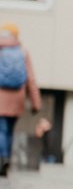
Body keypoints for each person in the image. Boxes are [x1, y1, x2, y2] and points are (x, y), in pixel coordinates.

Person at [0, 23, 42, 177]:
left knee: (1, 130)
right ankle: (6, 159)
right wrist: (36, 103)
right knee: (9, 131)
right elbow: (31, 79)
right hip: (17, 98)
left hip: (1, 97)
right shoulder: (22, 52)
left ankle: (2, 158)